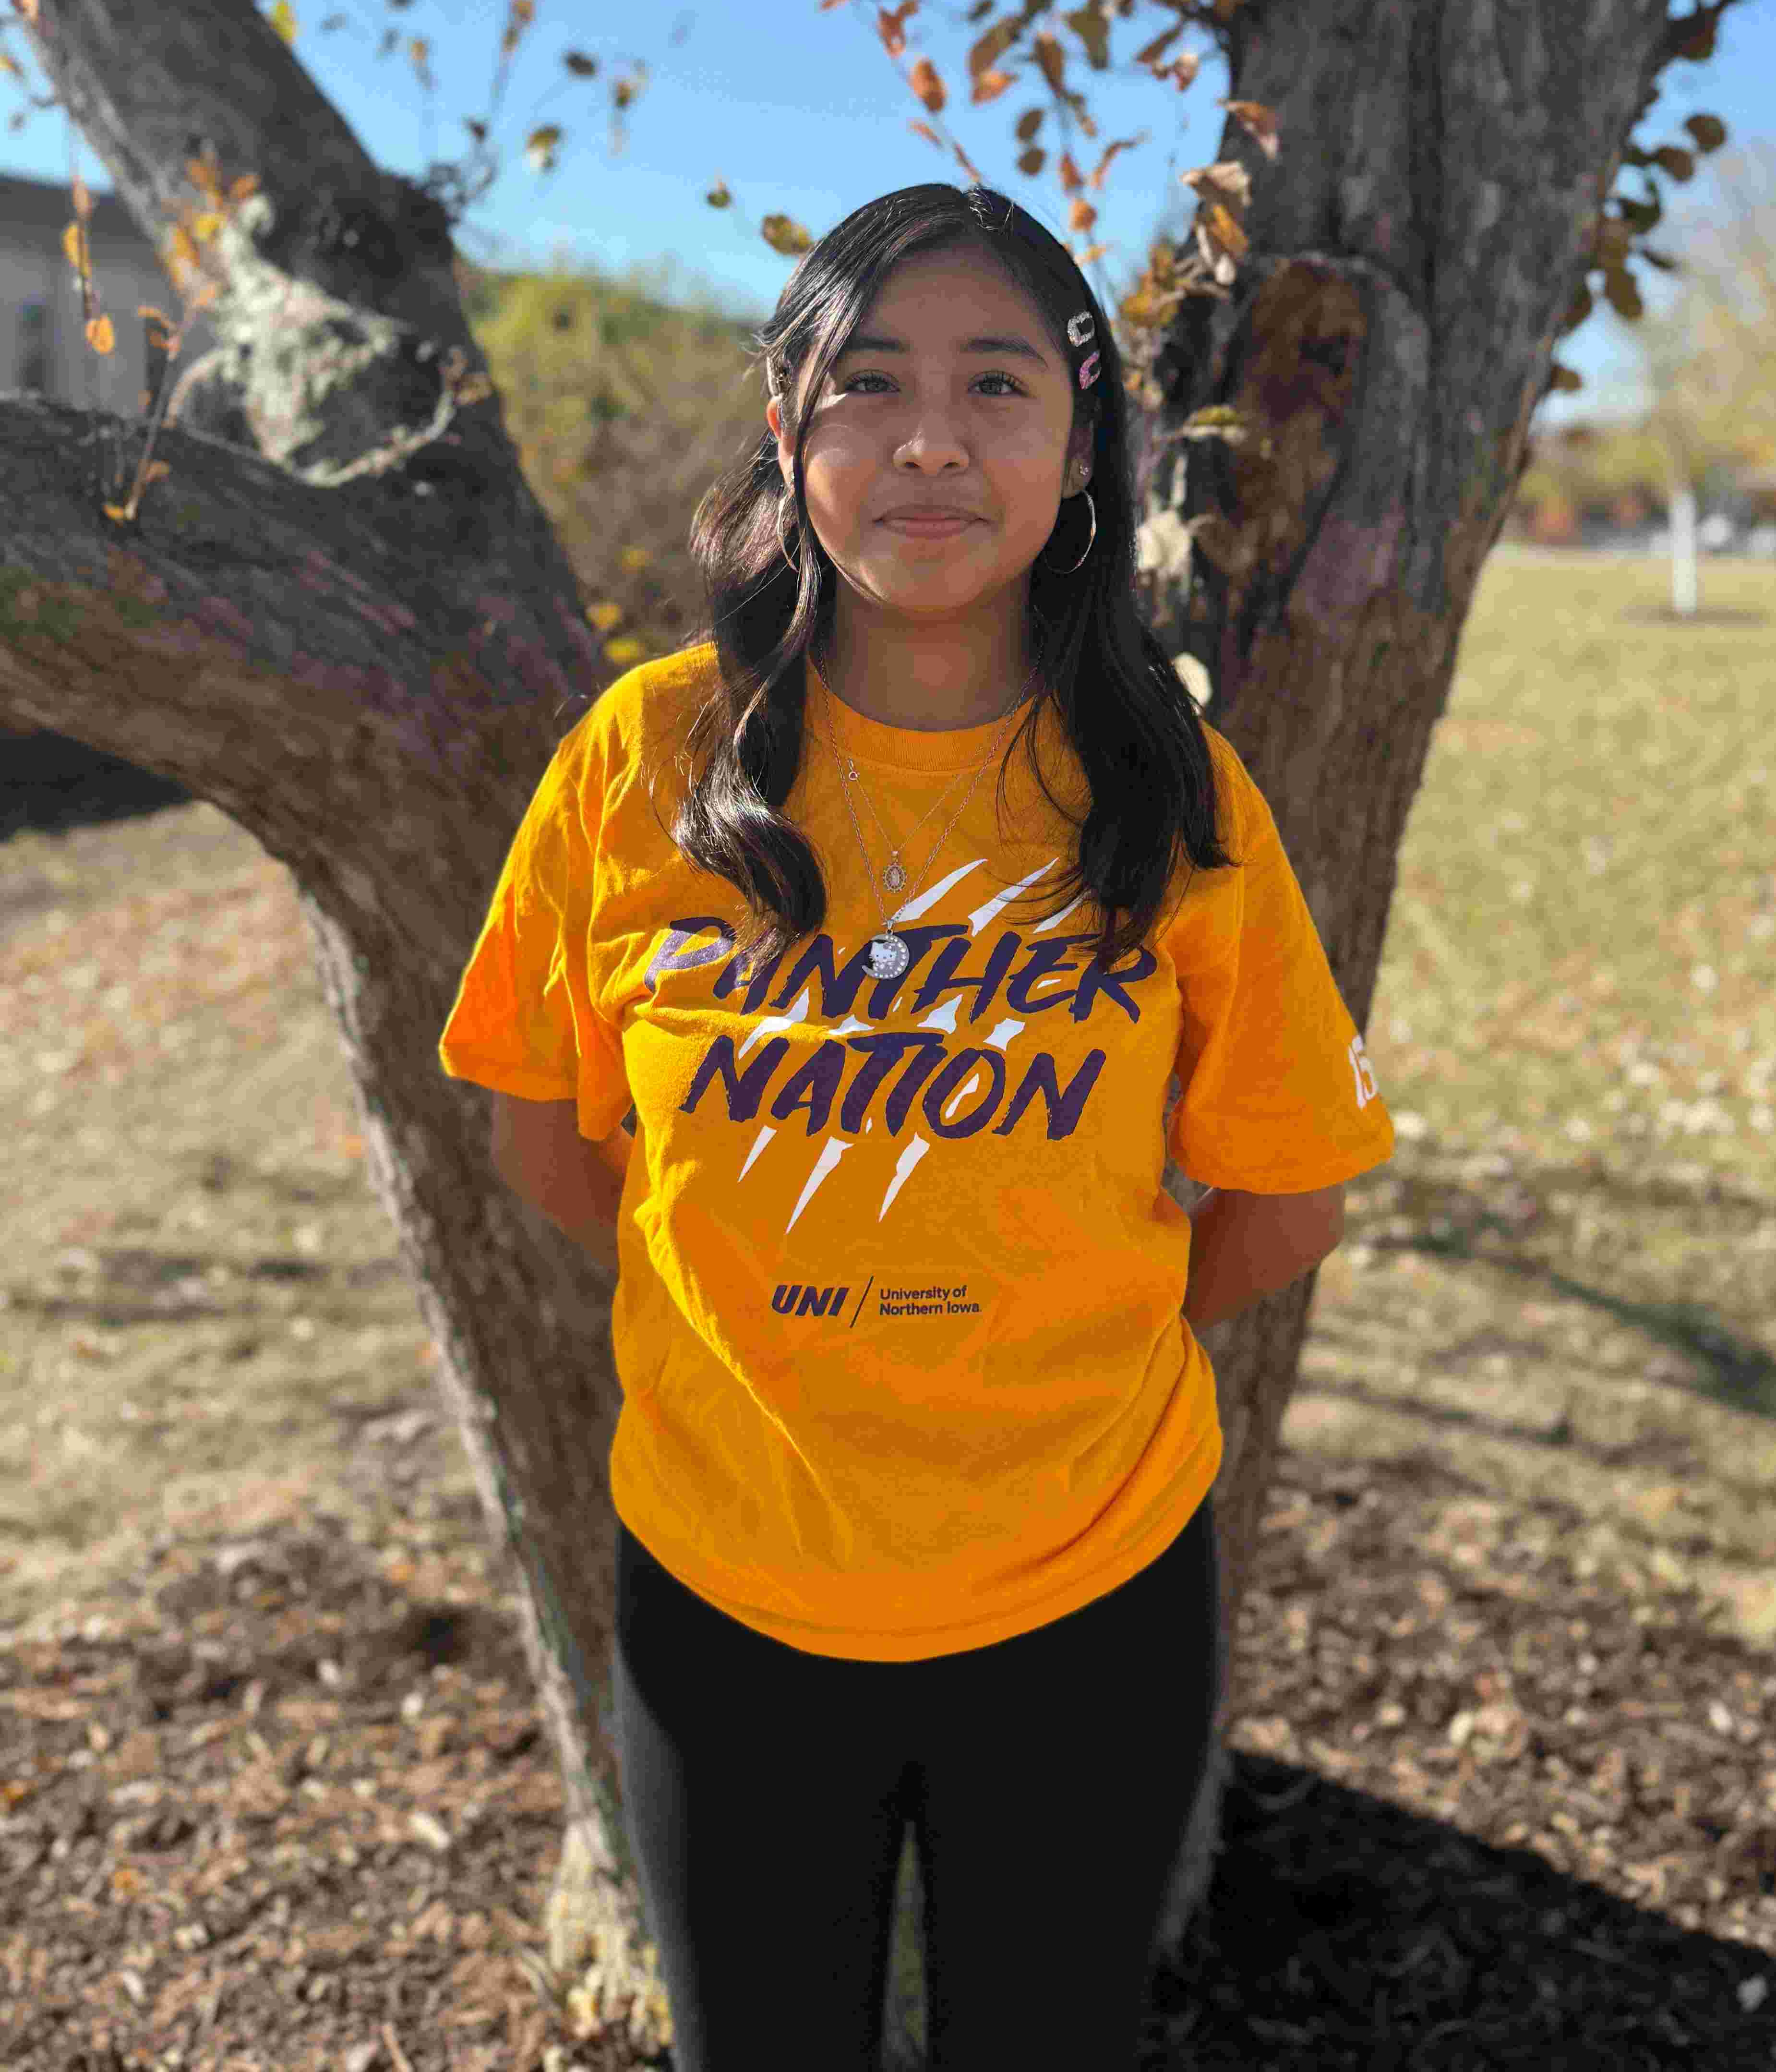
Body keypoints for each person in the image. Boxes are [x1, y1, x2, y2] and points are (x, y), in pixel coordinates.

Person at [438, 183, 1395, 2071]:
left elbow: (1284, 1199)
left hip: (1087, 1604)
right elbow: (542, 1138)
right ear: (786, 431)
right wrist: (759, 1318)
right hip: (726, 1592)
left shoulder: (1171, 791)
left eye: (997, 385)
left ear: (1082, 447)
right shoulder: (644, 762)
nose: (932, 439)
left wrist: (1049, 1333)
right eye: (868, 383)